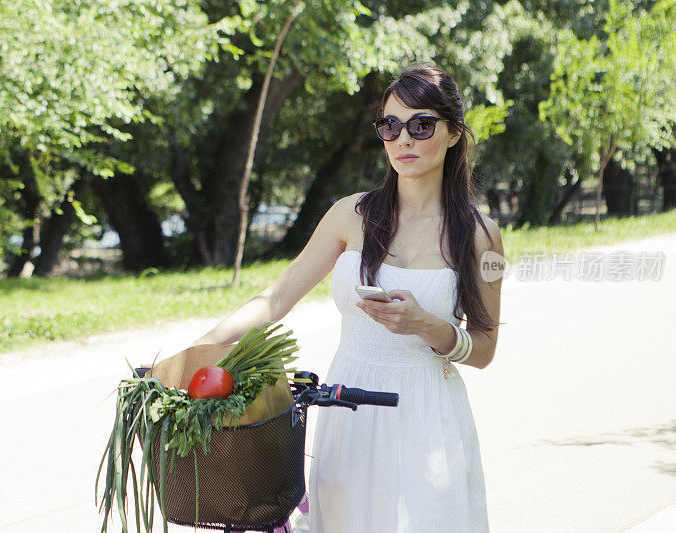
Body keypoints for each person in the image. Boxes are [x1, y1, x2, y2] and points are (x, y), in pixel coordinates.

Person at [191, 62, 503, 533]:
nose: (404, 140)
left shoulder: (483, 237)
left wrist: (426, 325)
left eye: (421, 125)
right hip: (347, 414)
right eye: (390, 126)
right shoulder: (348, 215)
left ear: (454, 132)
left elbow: (485, 348)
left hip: (428, 417)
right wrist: (193, 355)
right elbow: (275, 300)